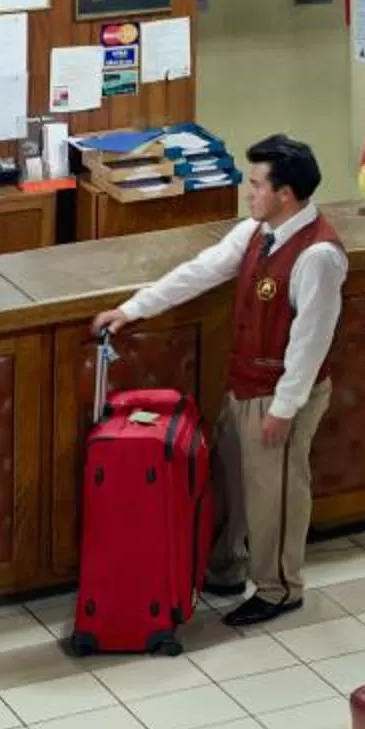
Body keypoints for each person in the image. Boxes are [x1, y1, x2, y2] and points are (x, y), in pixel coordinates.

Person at [89, 135, 342, 628]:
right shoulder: (256, 231)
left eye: (256, 184)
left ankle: (279, 588)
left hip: (280, 394)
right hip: (244, 383)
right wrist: (132, 309)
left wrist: (284, 410)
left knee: (277, 494)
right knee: (235, 483)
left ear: (285, 193)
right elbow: (201, 272)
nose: (249, 193)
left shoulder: (318, 257)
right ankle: (227, 567)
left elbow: (311, 341)